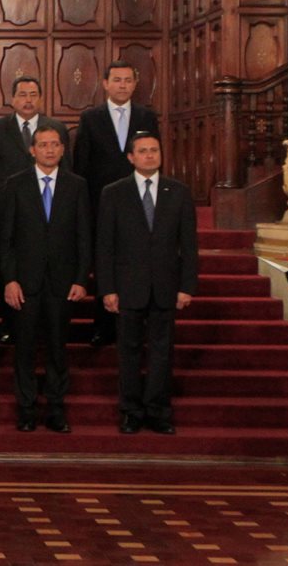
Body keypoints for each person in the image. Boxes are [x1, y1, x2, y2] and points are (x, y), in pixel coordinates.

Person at [96, 132, 197, 435]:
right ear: (131, 157)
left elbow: (189, 245)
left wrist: (187, 286)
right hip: (127, 287)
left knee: (162, 352)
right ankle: (131, 411)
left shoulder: (178, 192)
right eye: (143, 151)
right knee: (127, 352)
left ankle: (158, 411)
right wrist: (108, 288)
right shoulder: (114, 193)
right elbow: (105, 245)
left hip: (166, 287)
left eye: (155, 150)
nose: (150, 155)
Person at [0, 125, 91, 433]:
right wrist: (9, 280)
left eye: (55, 144)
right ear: (32, 150)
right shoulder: (14, 185)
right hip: (24, 283)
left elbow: (83, 238)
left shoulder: (77, 186)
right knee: (24, 348)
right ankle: (25, 408)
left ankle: (55, 408)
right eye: (43, 144)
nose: (49, 149)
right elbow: (6, 238)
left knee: (57, 349)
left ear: (63, 149)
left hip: (63, 284)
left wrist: (81, 279)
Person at [72, 60, 160, 347]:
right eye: (117, 80)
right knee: (105, 266)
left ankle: (139, 325)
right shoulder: (91, 118)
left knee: (138, 264)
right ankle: (103, 326)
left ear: (135, 84)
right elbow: (81, 166)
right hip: (102, 205)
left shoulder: (147, 116)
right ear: (106, 84)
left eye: (128, 80)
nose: (122, 85)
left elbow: (155, 159)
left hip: (140, 204)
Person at [0, 76, 70, 345]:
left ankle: (45, 326)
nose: (28, 99)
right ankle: (9, 323)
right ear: (12, 99)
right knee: (11, 267)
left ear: (40, 98)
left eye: (33, 94)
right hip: (8, 212)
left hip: (46, 211)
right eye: (22, 94)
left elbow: (68, 172)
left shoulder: (55, 129)